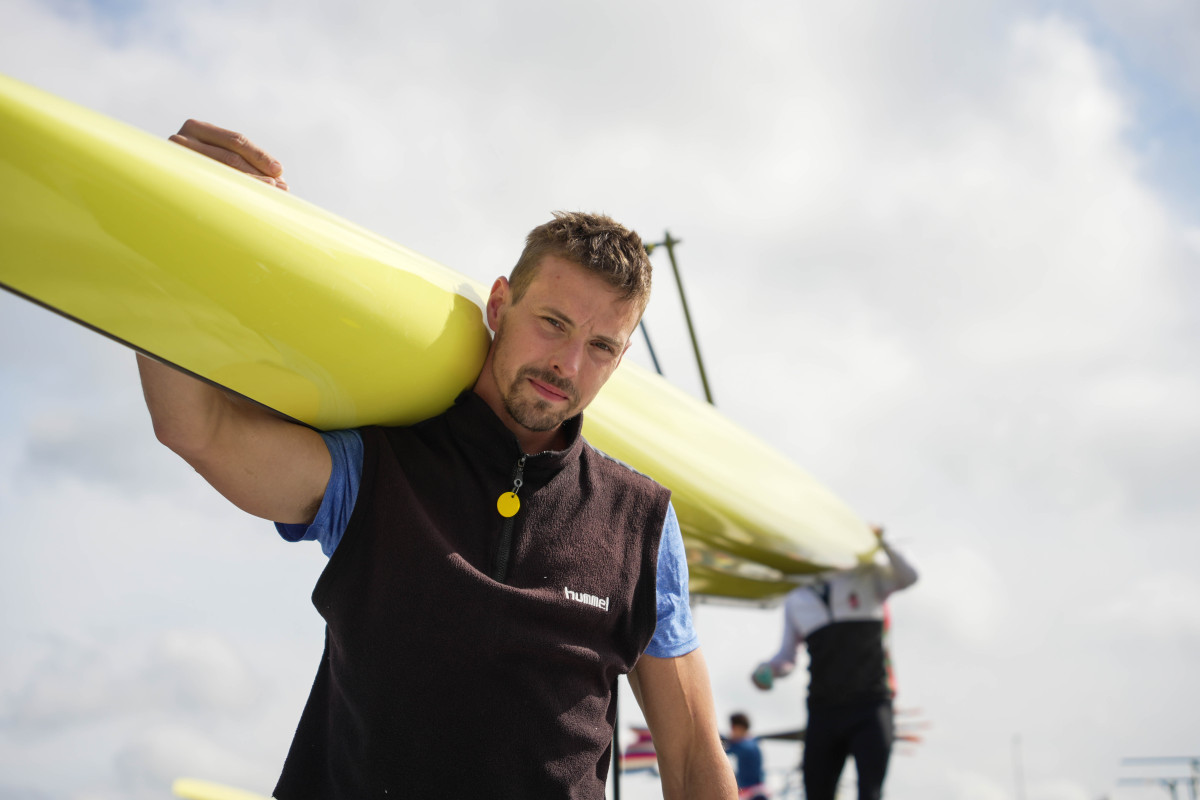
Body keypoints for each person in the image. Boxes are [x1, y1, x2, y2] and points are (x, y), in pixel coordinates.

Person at [142, 120, 737, 800]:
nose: (568, 365)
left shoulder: (641, 523)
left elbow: (691, 753)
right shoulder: (381, 466)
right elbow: (199, 427)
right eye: (553, 324)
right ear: (499, 304)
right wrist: (177, 218)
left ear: (622, 358)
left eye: (601, 346)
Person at [751, 526, 917, 800]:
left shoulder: (865, 576)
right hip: (824, 711)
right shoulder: (796, 599)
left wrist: (883, 540)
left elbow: (910, 576)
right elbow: (786, 658)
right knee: (817, 793)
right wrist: (768, 670)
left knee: (871, 793)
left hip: (871, 705)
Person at [724, 712, 769, 800]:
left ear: (739, 728)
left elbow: (725, 751)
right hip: (753, 791)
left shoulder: (745, 745)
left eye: (733, 728)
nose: (731, 732)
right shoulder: (753, 743)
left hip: (753, 793)